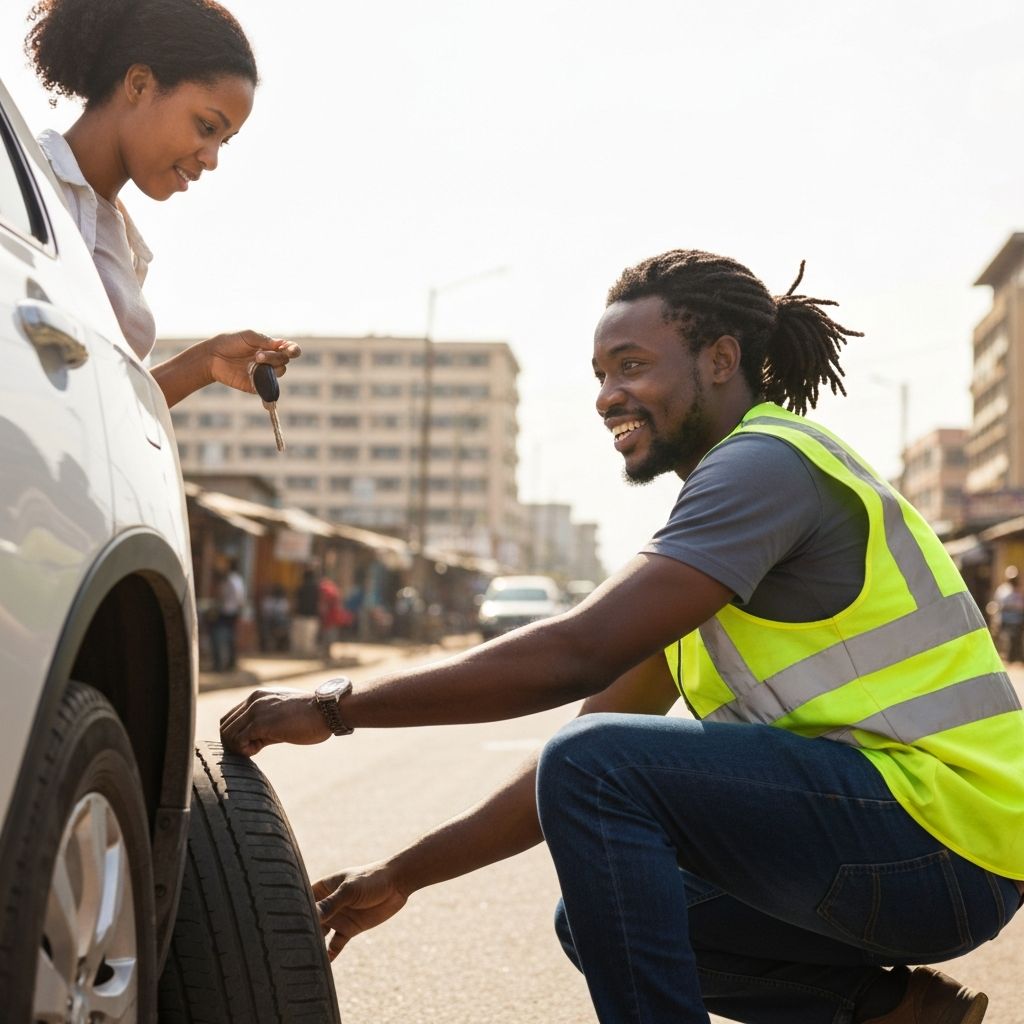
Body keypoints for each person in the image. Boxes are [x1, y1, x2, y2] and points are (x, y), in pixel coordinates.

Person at [221, 249, 1024, 1024]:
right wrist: (404, 875)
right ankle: (887, 1011)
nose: (608, 396)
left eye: (632, 366)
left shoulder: (765, 467)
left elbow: (577, 657)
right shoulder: (720, 528)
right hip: (920, 852)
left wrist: (335, 708)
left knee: (598, 761)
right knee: (595, 908)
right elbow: (570, 772)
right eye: (601, 375)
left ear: (719, 359)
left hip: (940, 840)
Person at [25, 0, 300, 407]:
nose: (212, 159)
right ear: (138, 84)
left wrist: (205, 362)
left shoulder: (121, 239)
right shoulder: (23, 184)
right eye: (207, 127)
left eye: (222, 141)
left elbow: (102, 407)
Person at [210, 557, 244, 671]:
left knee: (220, 637)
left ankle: (221, 664)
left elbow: (227, 597)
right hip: (231, 612)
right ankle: (229, 663)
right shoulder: (237, 579)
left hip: (226, 612)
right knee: (229, 638)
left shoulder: (230, 580)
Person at [993, 566, 1024, 664]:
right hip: (1006, 620)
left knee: (1017, 640)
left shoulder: (1019, 590)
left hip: (1018, 620)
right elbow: (999, 604)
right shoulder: (1003, 590)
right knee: (1007, 640)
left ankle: (1017, 659)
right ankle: (1009, 659)